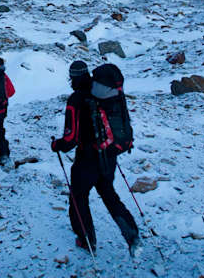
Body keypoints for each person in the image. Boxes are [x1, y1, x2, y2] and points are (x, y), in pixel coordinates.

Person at [51, 60, 140, 256]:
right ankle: (132, 233)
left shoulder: (76, 99)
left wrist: (57, 145)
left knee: (79, 196)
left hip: (87, 159)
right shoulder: (101, 94)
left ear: (72, 78)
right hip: (109, 156)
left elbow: (70, 138)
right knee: (109, 194)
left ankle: (86, 239)